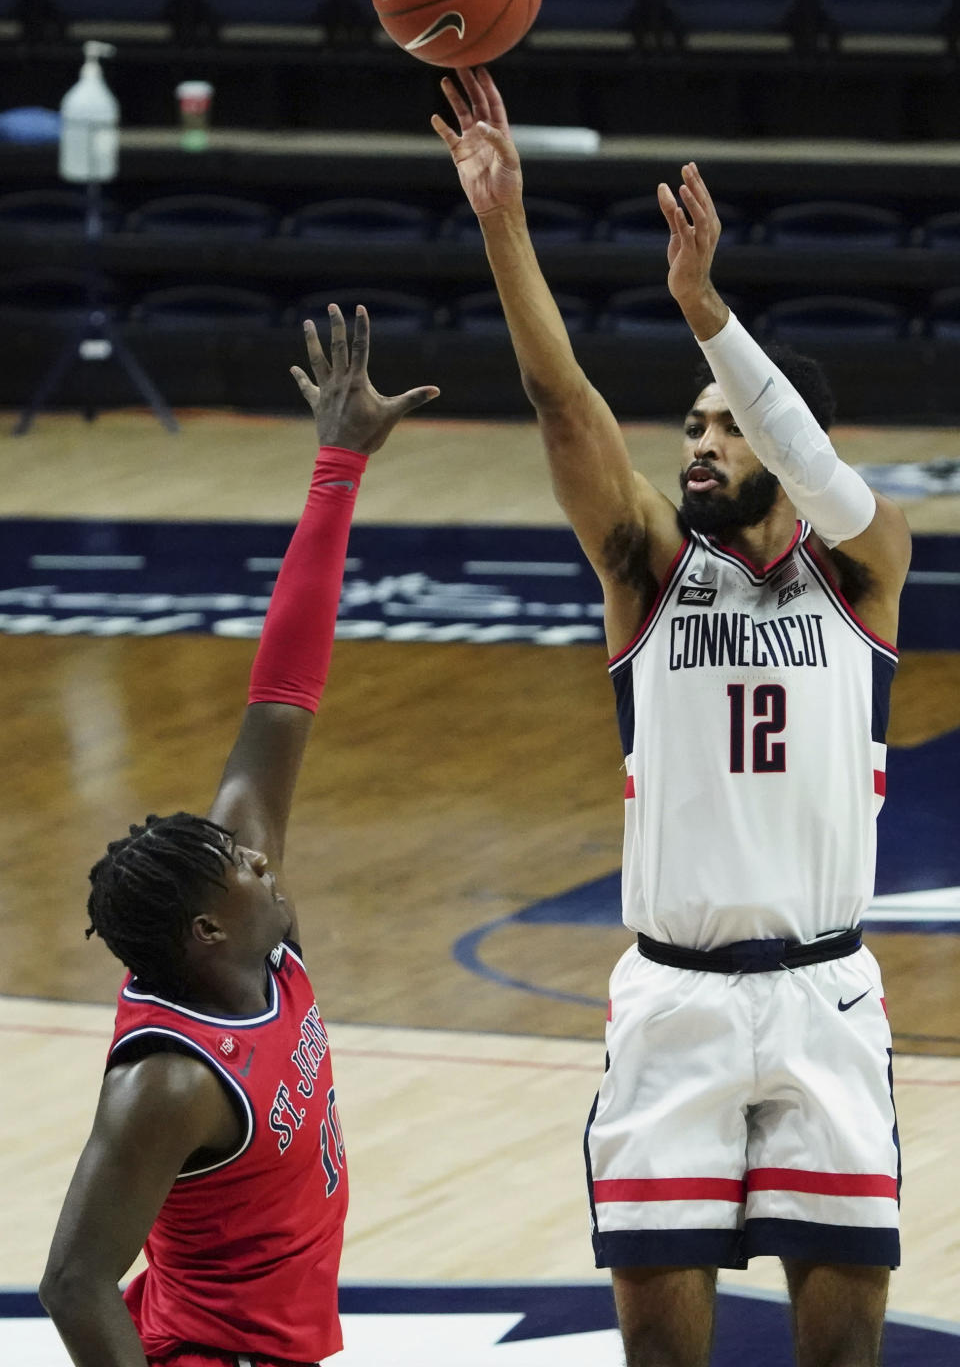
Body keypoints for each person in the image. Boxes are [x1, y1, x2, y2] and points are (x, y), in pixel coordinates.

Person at [433, 68, 912, 1367]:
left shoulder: (864, 570)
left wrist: (707, 314)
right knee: (659, 1352)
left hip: (824, 999)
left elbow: (814, 462)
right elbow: (563, 404)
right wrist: (502, 226)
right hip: (673, 1004)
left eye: (722, 427)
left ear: (778, 436)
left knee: (842, 1350)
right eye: (690, 426)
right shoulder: (649, 568)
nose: (697, 445)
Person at [39, 307, 438, 1367]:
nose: (268, 858)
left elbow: (284, 691)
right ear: (209, 928)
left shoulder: (245, 929)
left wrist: (340, 466)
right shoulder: (167, 1084)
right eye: (247, 865)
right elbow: (73, 1283)